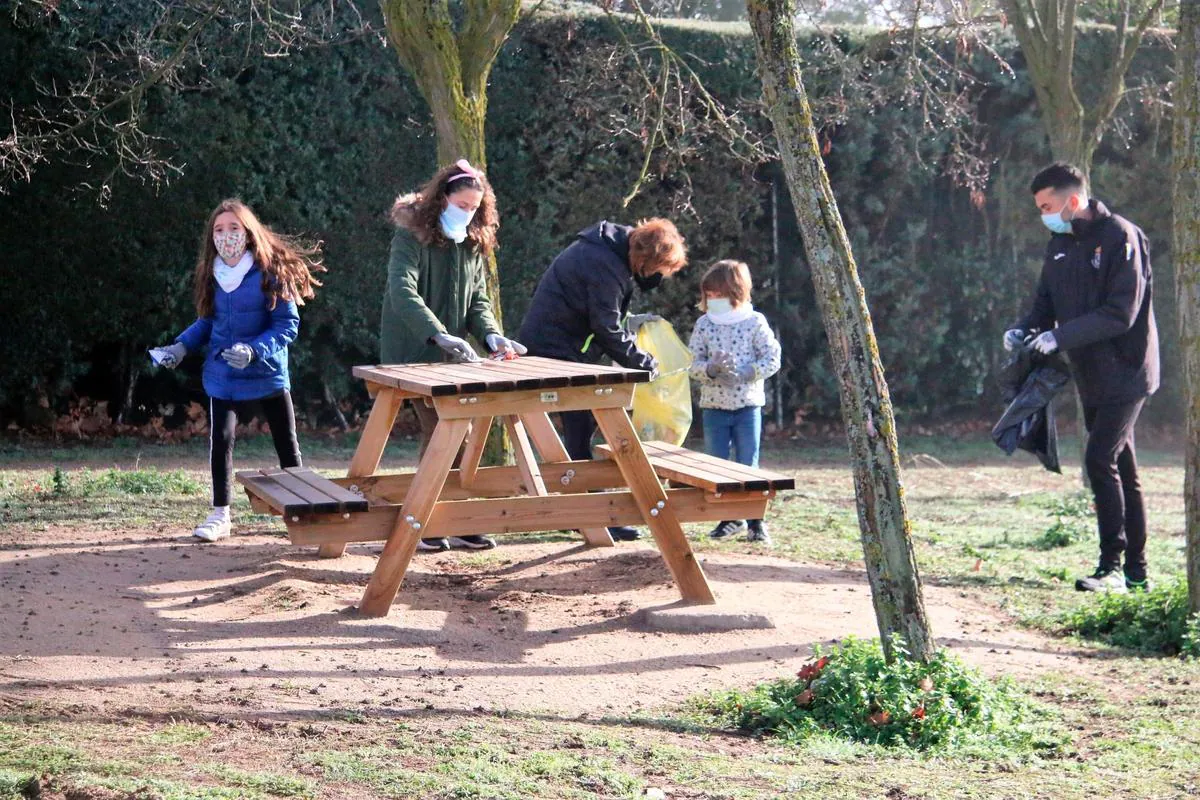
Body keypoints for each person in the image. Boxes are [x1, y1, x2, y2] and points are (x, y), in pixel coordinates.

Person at [1004, 162, 1159, 593]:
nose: (1044, 216)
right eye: (1039, 208)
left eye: (1048, 206)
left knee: (1099, 460)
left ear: (1073, 200)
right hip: (1089, 374)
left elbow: (1120, 313)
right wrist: (1026, 329)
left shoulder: (1121, 237)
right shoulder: (1058, 244)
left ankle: (1111, 569)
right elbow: (1044, 303)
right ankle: (1136, 574)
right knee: (1123, 468)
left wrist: (1061, 336)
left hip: (1128, 372)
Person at [155, 198, 324, 542]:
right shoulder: (211, 273)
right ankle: (221, 515)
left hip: (267, 372)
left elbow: (287, 326)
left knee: (287, 444)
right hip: (223, 375)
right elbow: (208, 322)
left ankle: (304, 513)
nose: (226, 235)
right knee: (222, 442)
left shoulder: (272, 271)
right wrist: (179, 347)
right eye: (219, 229)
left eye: (234, 228)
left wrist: (253, 350)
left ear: (248, 233)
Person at [379, 159, 526, 552]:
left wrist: (493, 336)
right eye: (461, 205)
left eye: (474, 207)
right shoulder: (410, 236)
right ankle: (425, 521)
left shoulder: (473, 243)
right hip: (412, 352)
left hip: (452, 356)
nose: (468, 212)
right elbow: (402, 291)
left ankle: (456, 518)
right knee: (443, 428)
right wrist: (438, 335)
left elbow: (477, 300)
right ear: (442, 199)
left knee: (459, 430)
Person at [517, 218, 688, 542]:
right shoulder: (604, 264)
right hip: (551, 349)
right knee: (589, 420)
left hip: (561, 347)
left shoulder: (607, 254)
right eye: (658, 269)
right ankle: (592, 512)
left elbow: (607, 324)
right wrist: (642, 362)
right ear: (645, 258)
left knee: (584, 425)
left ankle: (587, 511)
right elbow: (606, 326)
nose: (657, 277)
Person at [687, 260, 782, 544]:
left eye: (718, 294)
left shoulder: (755, 322)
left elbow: (772, 358)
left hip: (747, 406)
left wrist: (748, 372)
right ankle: (729, 517)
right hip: (714, 407)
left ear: (735, 291)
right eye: (709, 295)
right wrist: (710, 370)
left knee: (747, 463)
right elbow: (692, 363)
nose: (713, 300)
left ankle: (756, 521)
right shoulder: (704, 324)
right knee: (717, 464)